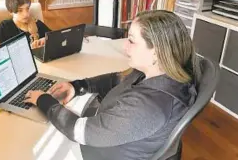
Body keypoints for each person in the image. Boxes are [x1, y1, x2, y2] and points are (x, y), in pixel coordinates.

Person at [24, 10, 199, 160]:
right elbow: (118, 79)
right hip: (111, 136)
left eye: (131, 40)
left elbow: (80, 131)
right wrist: (77, 86)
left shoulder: (149, 106)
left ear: (156, 52)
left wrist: (44, 100)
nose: (125, 46)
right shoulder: (156, 73)